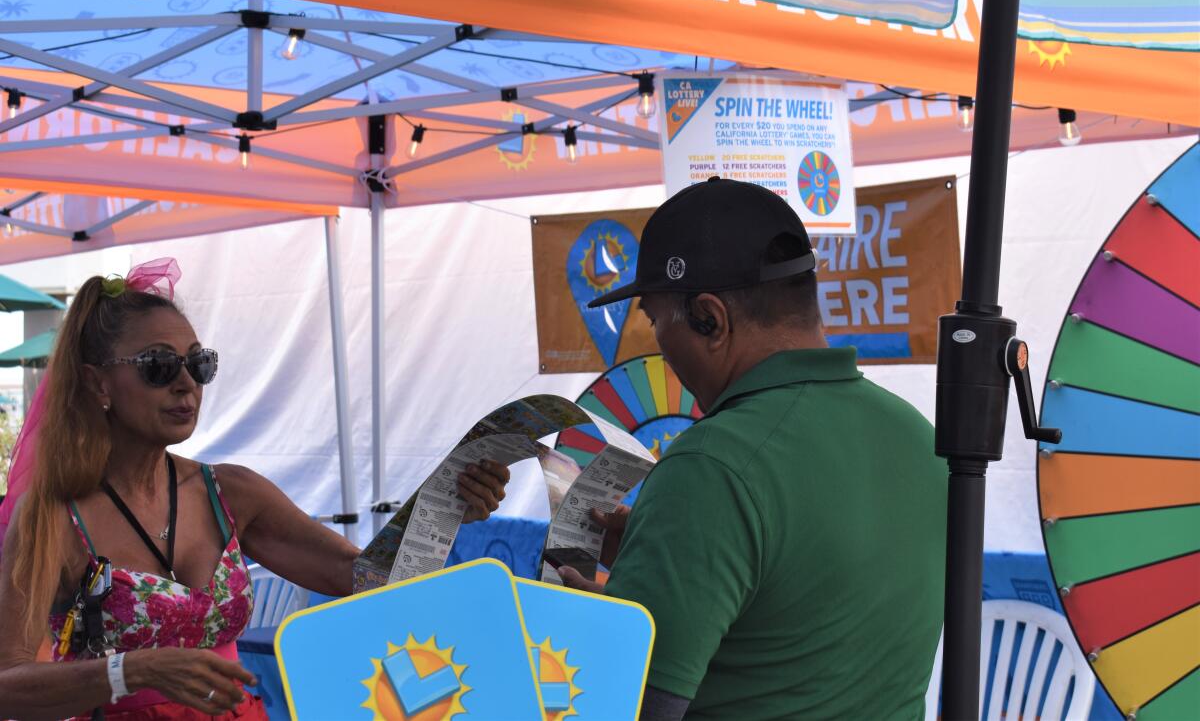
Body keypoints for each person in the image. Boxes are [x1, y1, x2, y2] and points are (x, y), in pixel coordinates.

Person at [0, 259, 509, 720]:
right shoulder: (53, 517)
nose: (186, 384)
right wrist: (130, 672)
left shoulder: (230, 492)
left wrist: (443, 507)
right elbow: (9, 685)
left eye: (199, 364)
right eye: (158, 366)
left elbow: (363, 576)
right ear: (97, 384)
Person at [558, 180, 947, 720]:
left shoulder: (711, 465)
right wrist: (667, 560)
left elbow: (621, 707)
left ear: (709, 319)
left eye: (654, 320)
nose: (660, 347)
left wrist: (600, 630)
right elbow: (803, 615)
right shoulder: (919, 439)